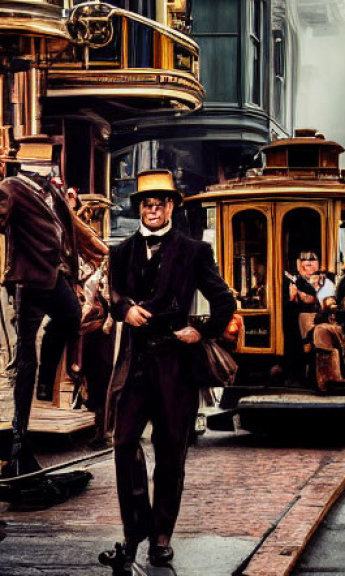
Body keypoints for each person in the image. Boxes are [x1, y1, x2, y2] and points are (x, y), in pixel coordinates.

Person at [100, 169, 235, 574]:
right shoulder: (121, 252)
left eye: (160, 202)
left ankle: (161, 537)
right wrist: (125, 310)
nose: (153, 208)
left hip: (176, 365)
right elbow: (114, 297)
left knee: (172, 450)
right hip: (136, 361)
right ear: (139, 208)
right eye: (146, 203)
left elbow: (224, 302)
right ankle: (134, 527)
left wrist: (201, 329)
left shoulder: (195, 251)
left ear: (172, 206)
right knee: (124, 443)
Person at [0, 139, 86, 479]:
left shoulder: (50, 188)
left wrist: (76, 270)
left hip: (54, 275)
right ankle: (20, 441)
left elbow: (69, 232)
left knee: (71, 318)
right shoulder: (12, 187)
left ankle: (44, 383)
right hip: (28, 280)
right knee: (25, 358)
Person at [281, 250, 334, 382]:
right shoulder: (294, 282)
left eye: (312, 260)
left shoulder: (327, 281)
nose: (309, 263)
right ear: (298, 263)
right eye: (304, 260)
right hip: (299, 325)